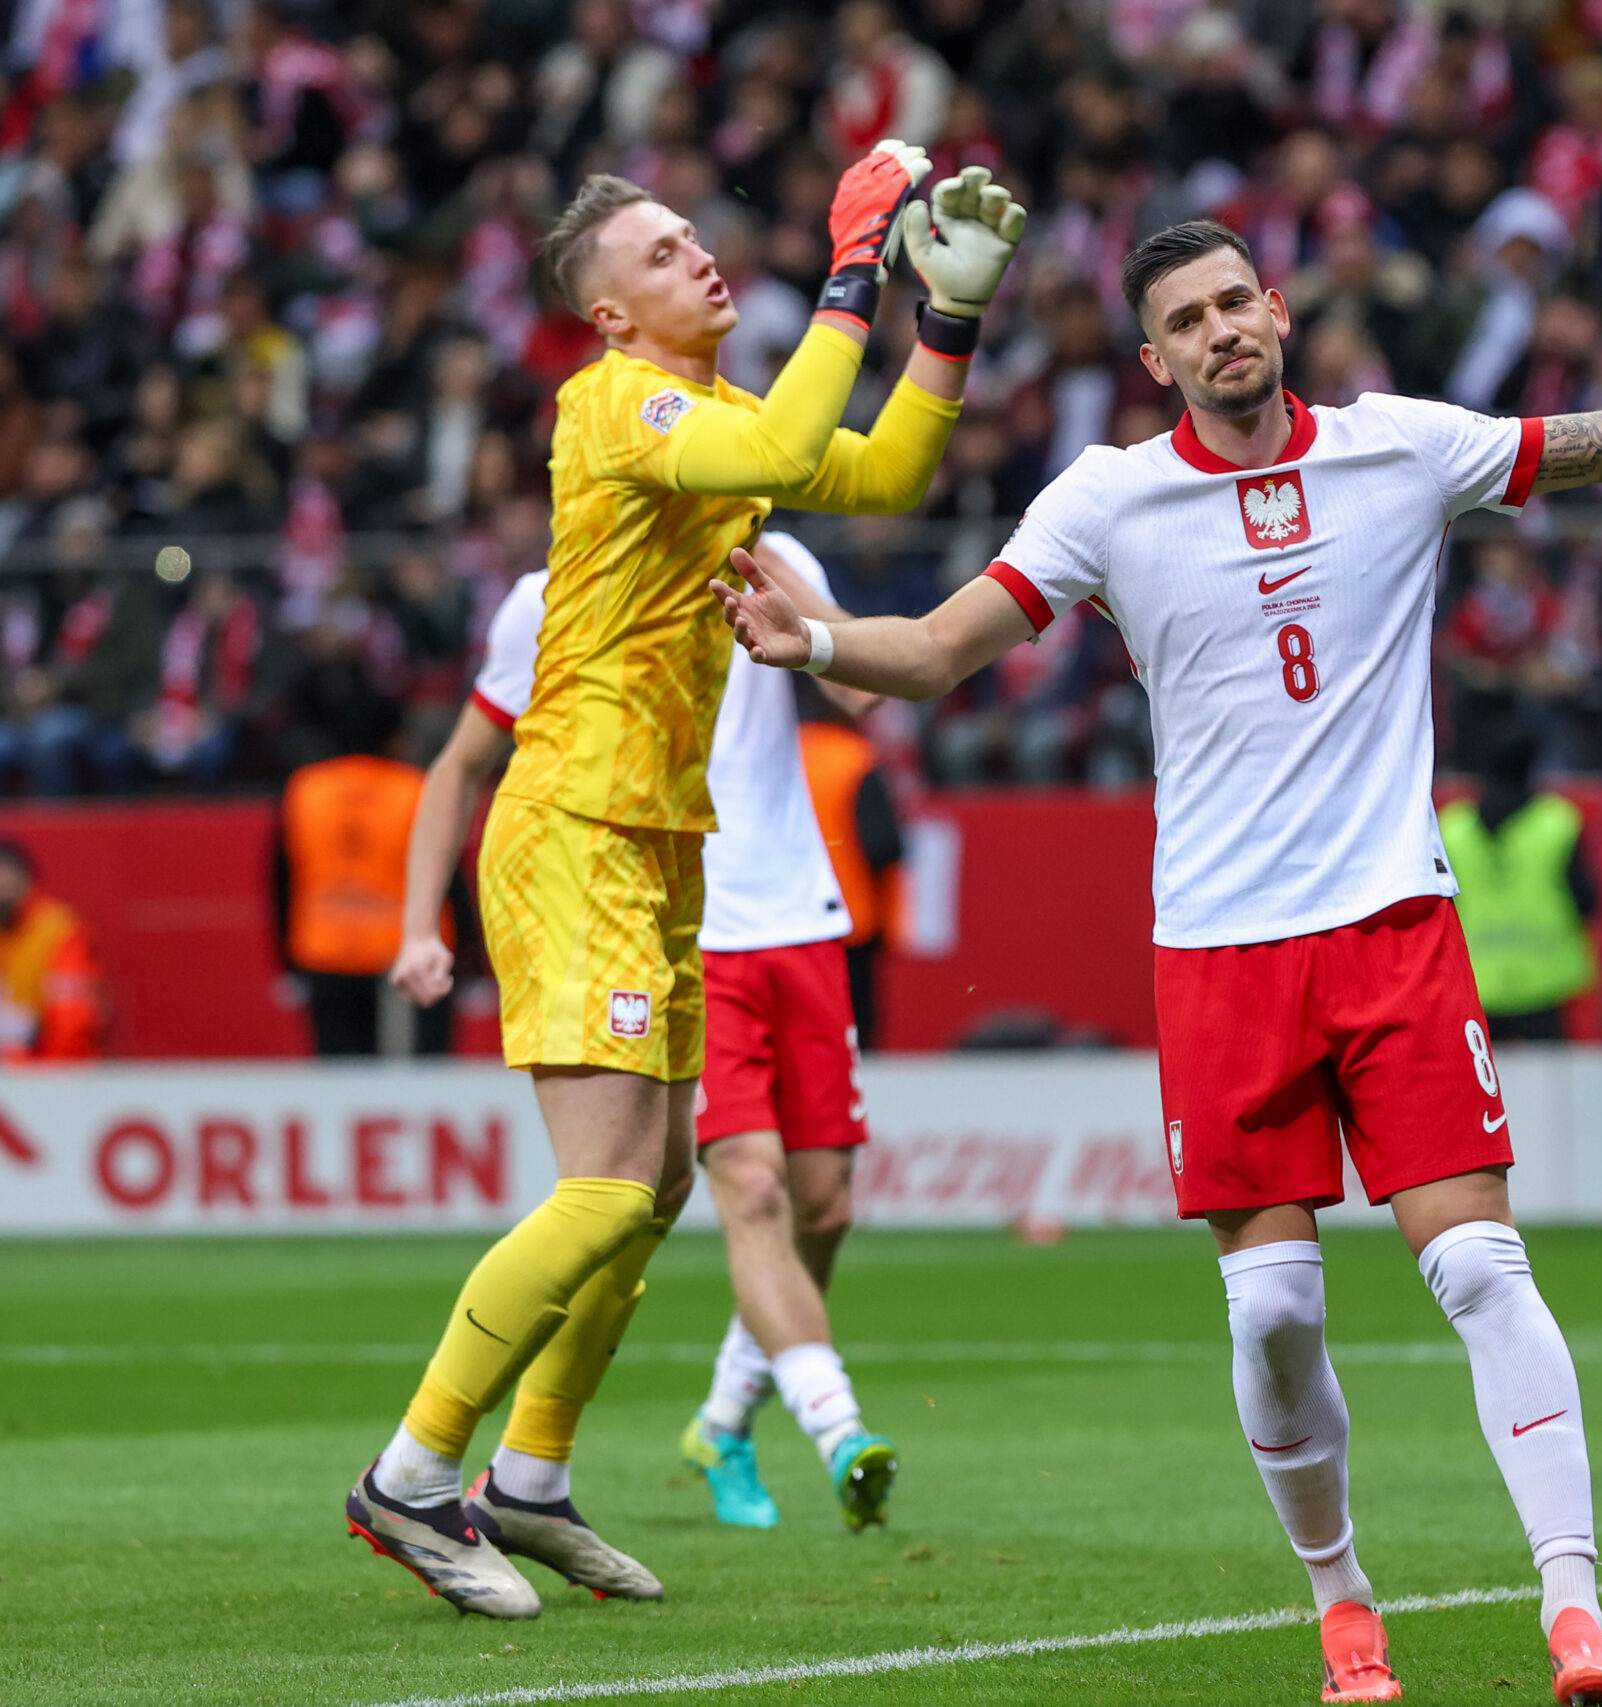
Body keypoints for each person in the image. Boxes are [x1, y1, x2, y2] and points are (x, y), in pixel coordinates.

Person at [714, 216, 1602, 1705]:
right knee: (1273, 1309)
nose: (1224, 328)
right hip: (1221, 953)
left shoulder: (1401, 447)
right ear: (1155, 356)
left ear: (1279, 311)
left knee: (1482, 1263)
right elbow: (940, 649)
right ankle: (1342, 1600)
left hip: (1392, 927)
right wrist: (819, 640)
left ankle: (1575, 1610)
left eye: (1240, 299)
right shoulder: (1107, 499)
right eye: (1189, 316)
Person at [344, 142, 1027, 1621]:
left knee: (653, 1189)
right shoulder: (617, 407)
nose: (698, 259)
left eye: (692, 237)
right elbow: (790, 457)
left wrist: (945, 322)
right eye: (658, 254)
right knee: (604, 1188)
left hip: (659, 841)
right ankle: (409, 1475)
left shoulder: (711, 413)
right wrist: (854, 270)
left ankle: (528, 1483)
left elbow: (885, 471)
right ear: (606, 317)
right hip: (576, 822)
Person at [388, 532, 897, 1538]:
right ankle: (840, 1431)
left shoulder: (773, 551)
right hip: (677, 927)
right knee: (740, 1185)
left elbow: (861, 692)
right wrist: (417, 925)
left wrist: (782, 590)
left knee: (823, 1210)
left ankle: (720, 1422)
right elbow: (461, 764)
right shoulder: (545, 602)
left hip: (800, 917)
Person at [276, 744, 446, 1057]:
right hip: (402, 949)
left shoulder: (307, 787)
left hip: (325, 946)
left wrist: (286, 962)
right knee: (417, 1069)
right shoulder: (413, 786)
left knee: (340, 1066)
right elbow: (444, 869)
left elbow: (281, 876)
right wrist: (471, 960)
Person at [1438, 720, 1599, 1043]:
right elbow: (1588, 902)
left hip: (1475, 980)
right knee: (1552, 1089)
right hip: (1545, 978)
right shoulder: (1558, 821)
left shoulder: (1451, 827)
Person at [798, 713, 903, 1046]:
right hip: (848, 920)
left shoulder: (787, 752)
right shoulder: (856, 759)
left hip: (786, 921)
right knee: (853, 1040)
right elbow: (883, 846)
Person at [0, 841, 106, 1061]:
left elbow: (71, 1024)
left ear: (27, 882)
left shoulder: (58, 931)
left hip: (50, 1073)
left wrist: (30, 1064)